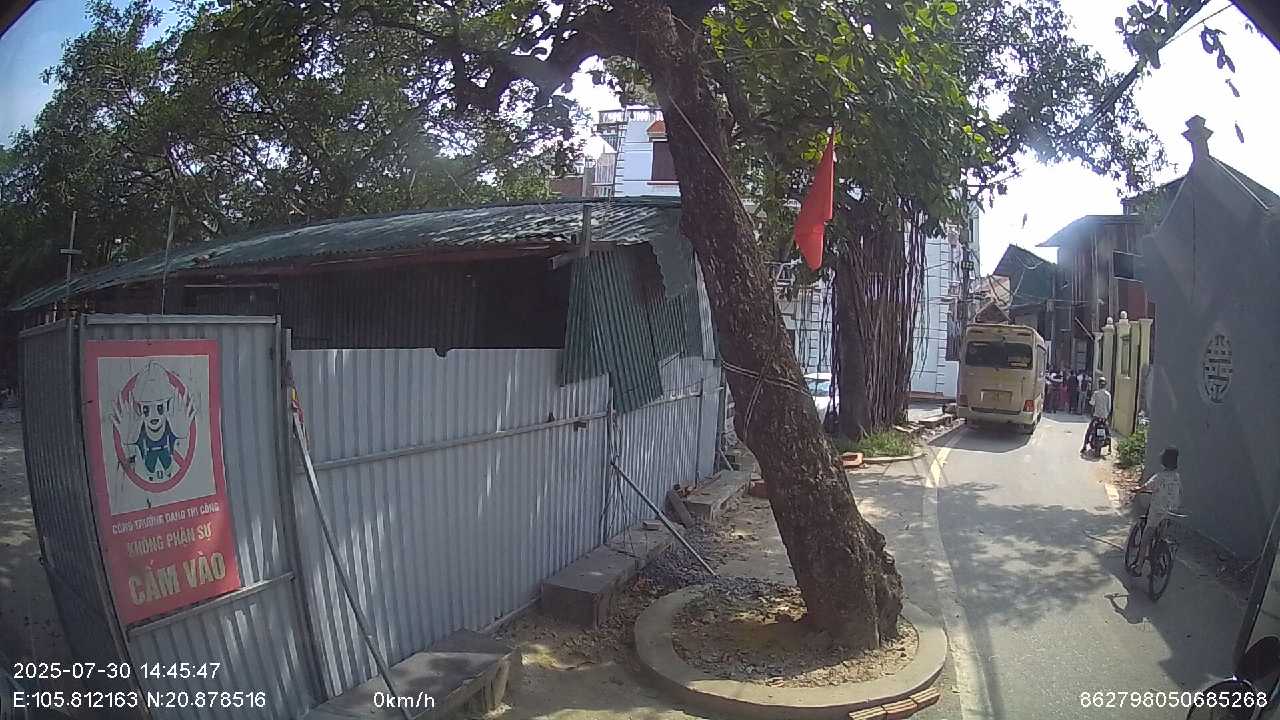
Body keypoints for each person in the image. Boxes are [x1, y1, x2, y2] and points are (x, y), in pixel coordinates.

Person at [1130, 446, 1183, 574]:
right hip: (1171, 511)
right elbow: (1179, 491)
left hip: (1157, 511)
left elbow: (1146, 487)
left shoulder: (1159, 477)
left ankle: (1139, 567)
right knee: (1162, 532)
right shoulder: (1177, 477)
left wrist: (1137, 490)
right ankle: (1159, 555)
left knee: (1145, 539)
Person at [1081, 377, 1112, 453]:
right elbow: (1109, 407)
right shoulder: (1108, 395)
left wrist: (1092, 409)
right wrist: (1106, 415)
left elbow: (1092, 403)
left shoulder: (1096, 393)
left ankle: (1084, 446)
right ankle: (1110, 448)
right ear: (1105, 385)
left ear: (1099, 384)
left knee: (1089, 431)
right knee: (1108, 432)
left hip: (1096, 416)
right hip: (1104, 417)